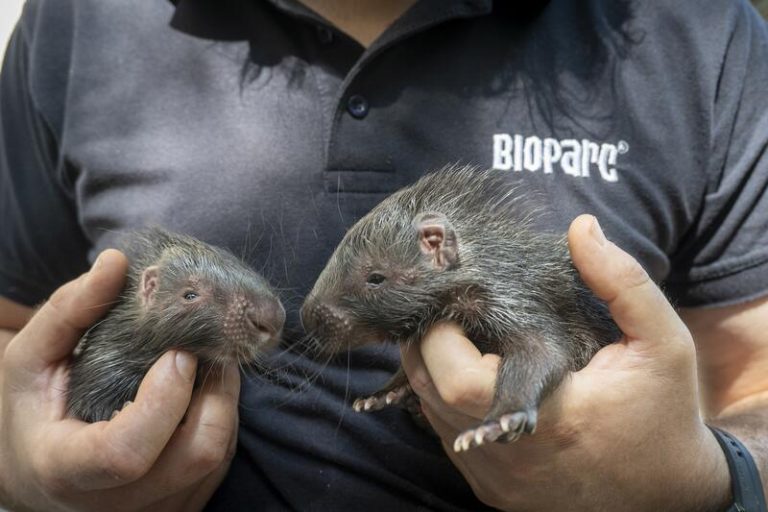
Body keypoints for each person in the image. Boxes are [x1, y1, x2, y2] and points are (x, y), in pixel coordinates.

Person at [1, 0, 767, 510]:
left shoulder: (702, 33)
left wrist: (701, 478)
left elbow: (755, 381)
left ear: (437, 248)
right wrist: (25, 468)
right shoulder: (78, 21)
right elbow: (13, 335)